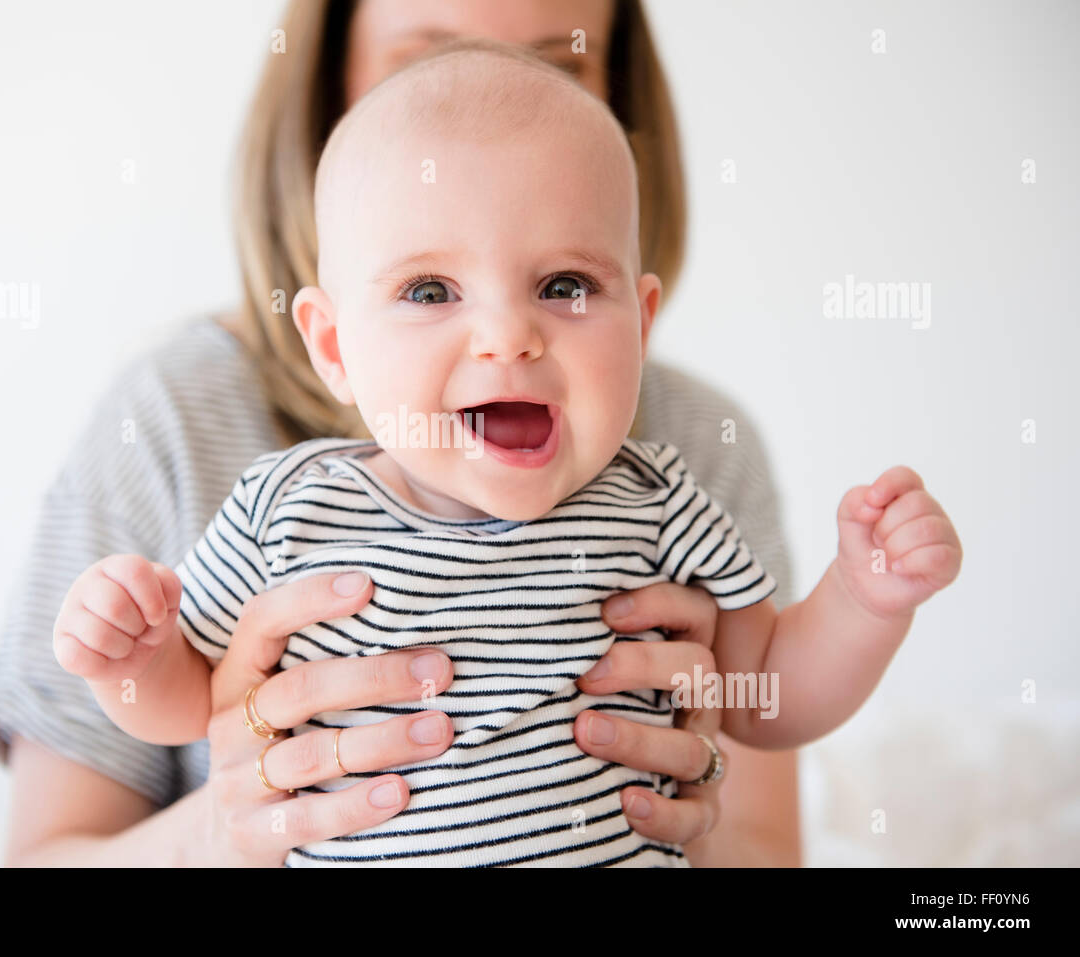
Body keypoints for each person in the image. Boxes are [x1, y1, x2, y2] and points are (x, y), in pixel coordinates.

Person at [50, 42, 961, 867]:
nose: (508, 335)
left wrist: (863, 599)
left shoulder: (661, 502)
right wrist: (131, 656)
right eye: (430, 288)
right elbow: (187, 703)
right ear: (334, 347)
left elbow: (773, 697)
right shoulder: (286, 508)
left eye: (565, 285)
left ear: (640, 327)